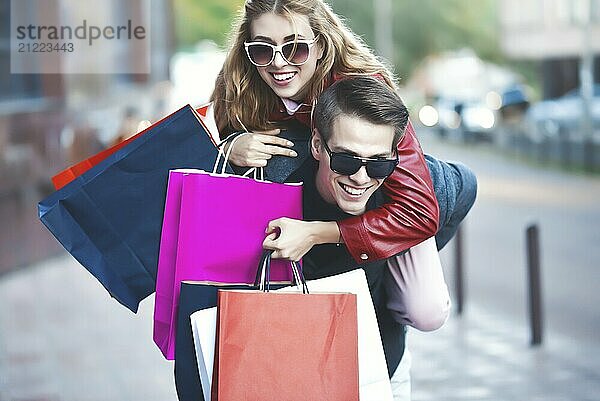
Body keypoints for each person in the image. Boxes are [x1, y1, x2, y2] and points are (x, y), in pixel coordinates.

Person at [263, 76, 465, 400]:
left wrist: (404, 249)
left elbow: (466, 185)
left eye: (379, 163)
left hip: (382, 370)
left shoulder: (404, 197)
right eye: (345, 159)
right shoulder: (276, 191)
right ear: (317, 145)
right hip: (297, 374)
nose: (360, 177)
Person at [209, 0, 445, 264]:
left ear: (320, 45)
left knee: (422, 305)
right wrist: (229, 144)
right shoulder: (240, 82)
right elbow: (205, 146)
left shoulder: (361, 91)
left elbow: (418, 212)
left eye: (295, 48)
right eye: (263, 50)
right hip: (329, 217)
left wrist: (316, 233)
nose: (278, 62)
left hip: (396, 211)